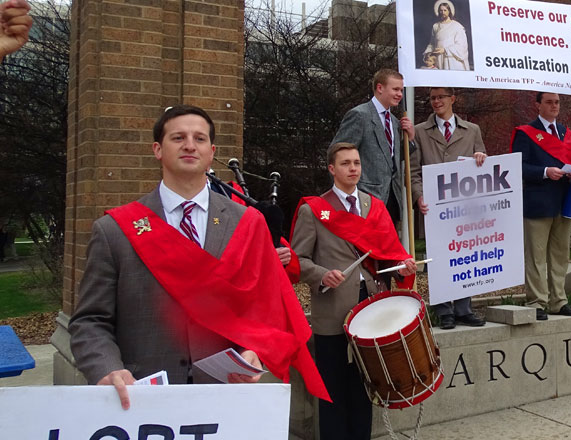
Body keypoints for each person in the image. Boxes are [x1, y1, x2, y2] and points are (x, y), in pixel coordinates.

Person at [69, 105, 328, 410]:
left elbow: (263, 306)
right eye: (178, 137)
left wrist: (253, 350)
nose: (190, 145)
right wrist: (107, 368)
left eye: (199, 138)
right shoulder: (115, 230)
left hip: (226, 394)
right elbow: (90, 320)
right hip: (141, 399)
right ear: (157, 150)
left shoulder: (246, 223)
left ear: (211, 152)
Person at [291, 142, 417, 440]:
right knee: (333, 387)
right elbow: (298, 261)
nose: (353, 169)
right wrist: (322, 275)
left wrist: (401, 267)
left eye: (356, 163)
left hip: (371, 305)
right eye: (345, 163)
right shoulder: (314, 210)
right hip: (332, 308)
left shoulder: (375, 207)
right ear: (332, 169)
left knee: (365, 384)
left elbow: (387, 255)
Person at [411, 87, 487, 329]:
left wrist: (481, 157)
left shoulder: (472, 130)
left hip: (464, 209)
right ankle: (444, 311)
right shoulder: (420, 132)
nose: (436, 102)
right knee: (438, 259)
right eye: (432, 98)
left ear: (452, 99)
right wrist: (419, 196)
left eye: (441, 97)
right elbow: (412, 171)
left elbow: (482, 161)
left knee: (465, 255)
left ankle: (464, 309)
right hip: (434, 209)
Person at [511, 92, 571, 320]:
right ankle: (537, 302)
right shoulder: (526, 132)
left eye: (557, 102)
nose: (554, 106)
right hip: (538, 202)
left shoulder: (565, 132)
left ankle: (558, 301)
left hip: (564, 201)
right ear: (538, 105)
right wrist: (544, 172)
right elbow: (518, 165)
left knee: (560, 255)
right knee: (536, 256)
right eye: (549, 102)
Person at [331, 69, 413, 228]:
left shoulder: (395, 122)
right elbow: (337, 153)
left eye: (401, 90)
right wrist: (345, 194)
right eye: (395, 89)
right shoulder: (359, 115)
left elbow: (392, 161)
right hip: (364, 199)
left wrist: (409, 139)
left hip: (391, 200)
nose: (400, 94)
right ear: (380, 88)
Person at [423, 0, 471, 71]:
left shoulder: (457, 26)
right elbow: (432, 43)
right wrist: (427, 52)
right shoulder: (435, 26)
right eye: (441, 10)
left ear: (449, 11)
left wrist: (445, 50)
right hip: (439, 59)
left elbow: (461, 45)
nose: (443, 12)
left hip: (451, 60)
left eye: (445, 10)